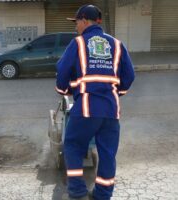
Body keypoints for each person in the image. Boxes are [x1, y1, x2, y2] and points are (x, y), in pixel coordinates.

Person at [55, 4, 135, 200]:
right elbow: (129, 75)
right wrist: (117, 93)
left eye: (77, 23)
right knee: (108, 154)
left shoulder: (79, 43)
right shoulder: (117, 44)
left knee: (72, 145)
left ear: (84, 20)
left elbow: (62, 71)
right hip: (111, 110)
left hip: (86, 108)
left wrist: (64, 90)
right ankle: (103, 195)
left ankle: (78, 192)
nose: (76, 27)